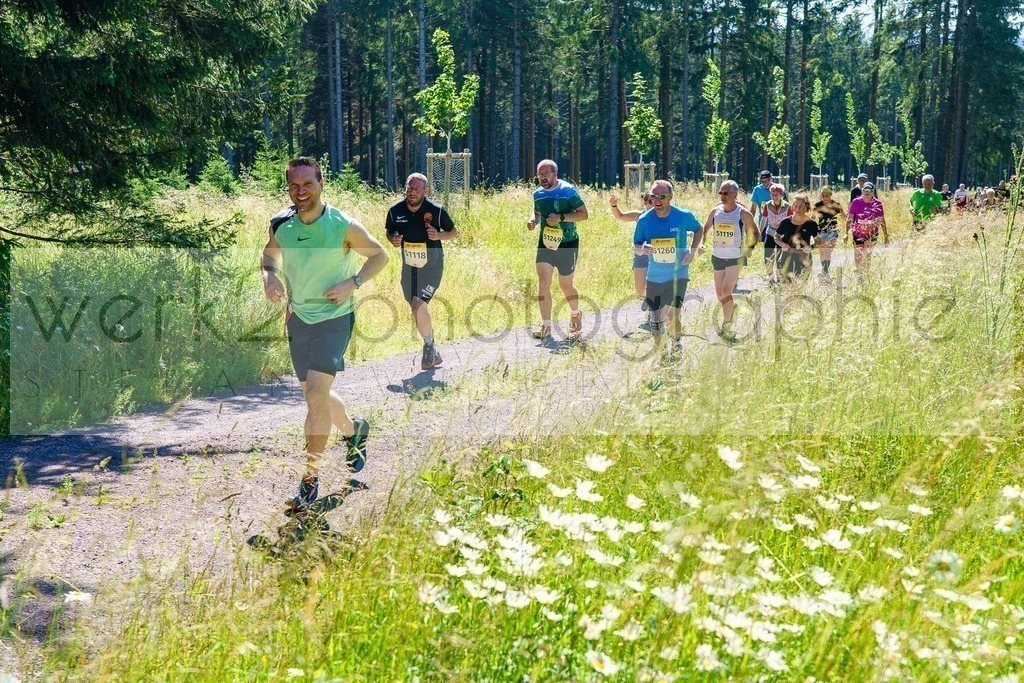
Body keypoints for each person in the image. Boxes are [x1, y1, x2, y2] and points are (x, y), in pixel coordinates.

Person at [262, 157, 389, 515]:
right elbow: (269, 256)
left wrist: (353, 282)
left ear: (321, 184)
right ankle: (353, 431)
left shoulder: (342, 225)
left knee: (316, 396)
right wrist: (269, 276)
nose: (301, 191)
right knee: (315, 394)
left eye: (308, 184)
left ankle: (310, 480)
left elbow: (379, 256)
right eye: (294, 185)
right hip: (298, 319)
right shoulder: (281, 224)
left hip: (334, 319)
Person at [385, 173, 458, 370]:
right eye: (409, 188)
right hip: (409, 269)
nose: (412, 192)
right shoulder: (395, 211)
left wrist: (439, 235)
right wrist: (393, 239)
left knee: (418, 306)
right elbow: (389, 231)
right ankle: (433, 350)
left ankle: (428, 347)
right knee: (417, 310)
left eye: (416, 189)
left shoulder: (436, 211)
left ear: (426, 191)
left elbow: (453, 232)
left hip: (432, 268)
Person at [632, 180, 703, 348]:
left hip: (678, 274)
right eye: (653, 196)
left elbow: (699, 228)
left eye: (662, 197)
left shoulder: (683, 215)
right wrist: (642, 248)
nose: (657, 200)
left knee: (672, 315)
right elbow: (635, 245)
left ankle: (676, 344)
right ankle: (661, 351)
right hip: (655, 275)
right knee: (655, 320)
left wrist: (692, 250)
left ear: (670, 197)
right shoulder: (644, 220)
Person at [527, 159, 589, 340]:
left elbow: (584, 215)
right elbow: (538, 213)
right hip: (546, 242)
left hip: (568, 243)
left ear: (555, 174)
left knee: (565, 285)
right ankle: (546, 326)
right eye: (540, 174)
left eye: (546, 174)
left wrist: (561, 217)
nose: (543, 177)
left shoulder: (568, 191)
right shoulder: (538, 194)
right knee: (543, 282)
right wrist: (533, 221)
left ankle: (576, 313)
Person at [703, 180, 759, 343]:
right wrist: (701, 243)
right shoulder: (715, 212)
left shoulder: (743, 213)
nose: (722, 196)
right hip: (717, 256)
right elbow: (705, 229)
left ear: (735, 194)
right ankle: (731, 308)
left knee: (726, 291)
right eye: (720, 192)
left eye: (726, 193)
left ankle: (727, 325)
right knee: (720, 294)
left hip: (735, 257)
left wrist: (750, 247)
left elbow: (755, 232)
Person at [610, 190, 657, 330]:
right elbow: (620, 216)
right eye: (650, 201)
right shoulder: (639, 215)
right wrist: (614, 205)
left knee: (656, 284)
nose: (653, 204)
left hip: (658, 256)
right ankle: (649, 298)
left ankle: (655, 312)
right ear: (645, 202)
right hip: (641, 254)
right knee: (640, 289)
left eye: (655, 201)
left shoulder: (663, 215)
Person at [845, 182, 888, 281]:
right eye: (865, 190)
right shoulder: (856, 202)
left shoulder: (878, 203)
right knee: (858, 254)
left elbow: (882, 220)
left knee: (867, 254)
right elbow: (850, 218)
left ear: (873, 192)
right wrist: (846, 233)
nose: (867, 193)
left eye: (870, 191)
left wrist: (886, 235)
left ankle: (865, 274)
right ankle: (859, 274)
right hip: (858, 232)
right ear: (862, 191)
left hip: (872, 232)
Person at [775, 193, 819, 282]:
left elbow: (818, 242)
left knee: (801, 285)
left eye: (801, 206)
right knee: (785, 285)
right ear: (792, 207)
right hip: (786, 257)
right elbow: (776, 236)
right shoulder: (785, 222)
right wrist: (782, 244)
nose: (798, 209)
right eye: (795, 206)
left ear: (806, 207)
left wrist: (810, 247)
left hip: (803, 258)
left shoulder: (812, 224)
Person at [811, 187, 846, 282]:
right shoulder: (818, 205)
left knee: (828, 252)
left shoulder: (836, 205)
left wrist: (850, 225)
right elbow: (812, 218)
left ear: (831, 195)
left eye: (827, 195)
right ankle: (825, 272)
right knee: (822, 252)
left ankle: (825, 272)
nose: (825, 198)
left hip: (833, 231)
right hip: (821, 231)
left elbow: (844, 217)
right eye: (823, 196)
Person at [760, 184, 791, 285]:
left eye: (777, 195)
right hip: (770, 232)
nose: (774, 197)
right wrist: (760, 233)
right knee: (768, 255)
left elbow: (791, 221)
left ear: (781, 195)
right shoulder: (767, 205)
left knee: (780, 256)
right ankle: (770, 276)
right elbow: (763, 219)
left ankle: (779, 276)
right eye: (772, 194)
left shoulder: (787, 206)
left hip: (782, 235)